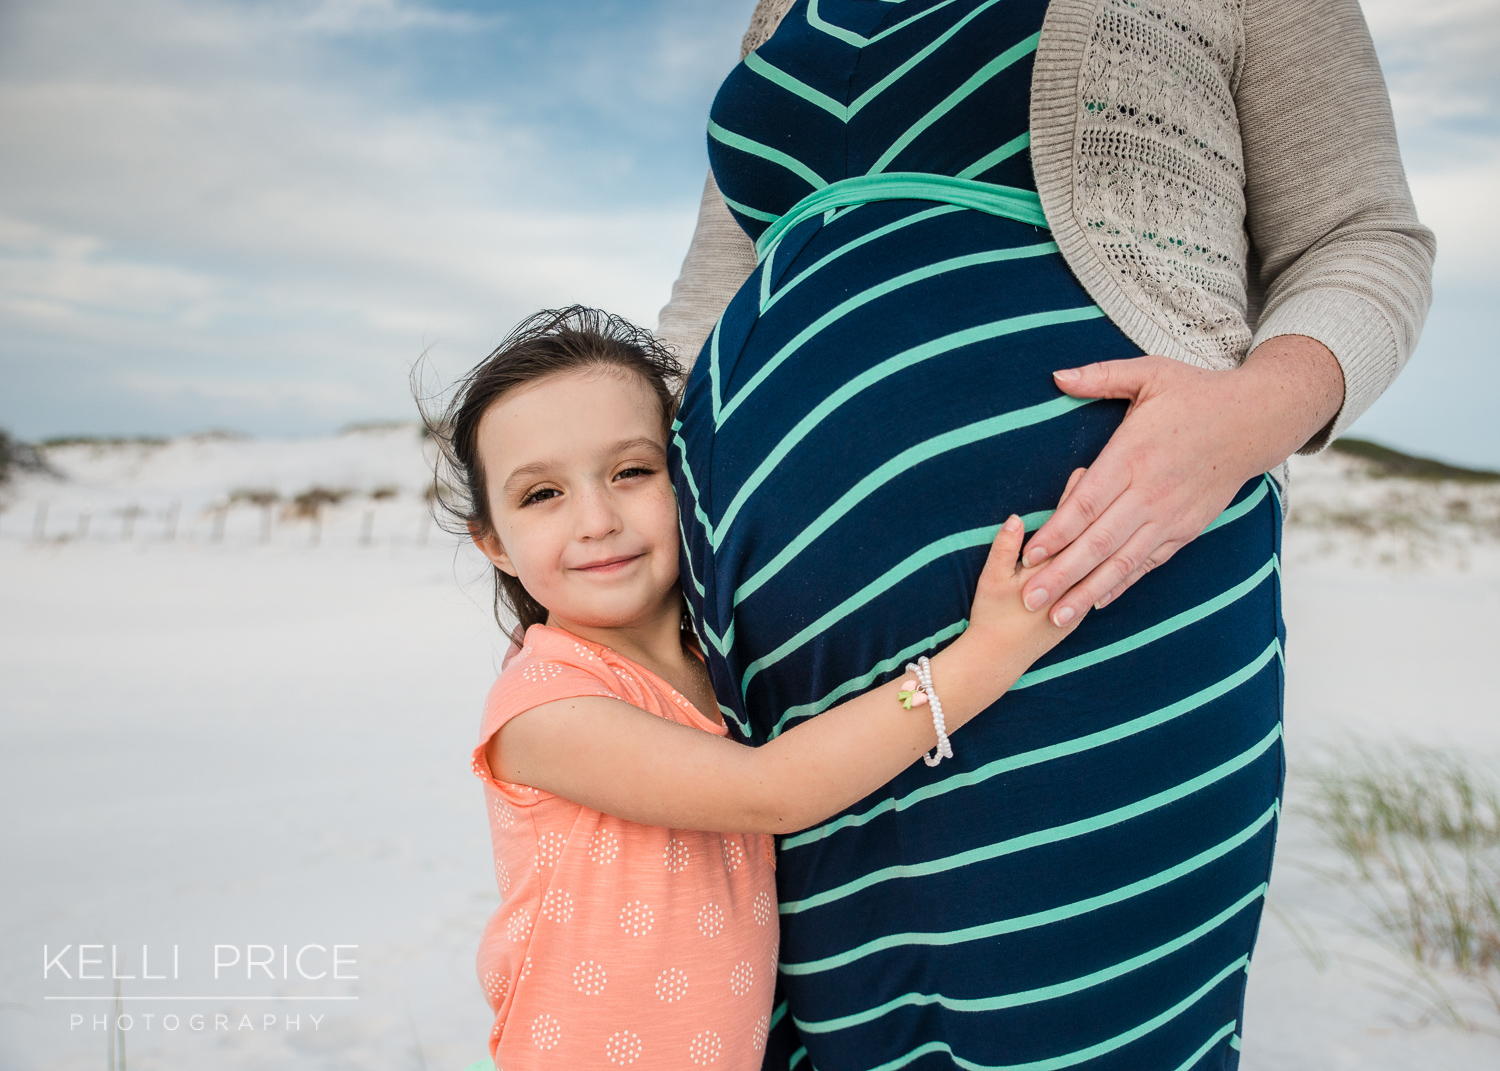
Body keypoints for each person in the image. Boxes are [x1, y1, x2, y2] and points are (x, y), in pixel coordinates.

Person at [656, 1, 1434, 1068]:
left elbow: (1362, 236)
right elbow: (703, 307)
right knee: (821, 1028)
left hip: (1110, 595)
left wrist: (1246, 421)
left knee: (1078, 1022)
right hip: (769, 650)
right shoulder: (775, 13)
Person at [428, 307, 1077, 1070]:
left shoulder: (722, 663)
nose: (597, 519)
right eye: (542, 494)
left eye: (631, 472)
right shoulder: (540, 705)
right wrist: (981, 662)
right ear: (494, 542)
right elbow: (772, 790)